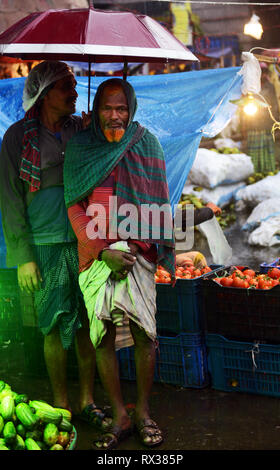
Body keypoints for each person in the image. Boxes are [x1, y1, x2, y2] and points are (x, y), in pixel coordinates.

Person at [64, 78, 176, 449]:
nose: (114, 116)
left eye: (122, 108)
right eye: (107, 108)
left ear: (131, 109)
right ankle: (120, 415)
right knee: (103, 336)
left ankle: (143, 412)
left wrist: (139, 247)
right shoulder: (80, 146)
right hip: (95, 255)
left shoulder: (147, 144)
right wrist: (102, 251)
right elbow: (73, 206)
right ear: (97, 110)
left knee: (146, 333)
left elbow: (158, 203)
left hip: (138, 254)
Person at [0, 60, 111, 429]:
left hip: (85, 242)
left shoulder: (81, 130)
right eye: (68, 86)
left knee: (85, 325)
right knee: (52, 324)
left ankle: (87, 400)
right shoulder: (18, 137)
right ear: (47, 94)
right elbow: (11, 202)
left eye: (76, 85)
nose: (75, 93)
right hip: (45, 244)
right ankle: (61, 402)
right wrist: (24, 258)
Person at [244, 62, 279, 173]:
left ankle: (267, 169)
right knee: (254, 148)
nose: (262, 75)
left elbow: (274, 105)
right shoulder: (251, 87)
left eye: (264, 72)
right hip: (253, 122)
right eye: (260, 73)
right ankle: (255, 171)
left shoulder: (270, 87)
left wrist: (275, 121)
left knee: (267, 148)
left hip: (267, 123)